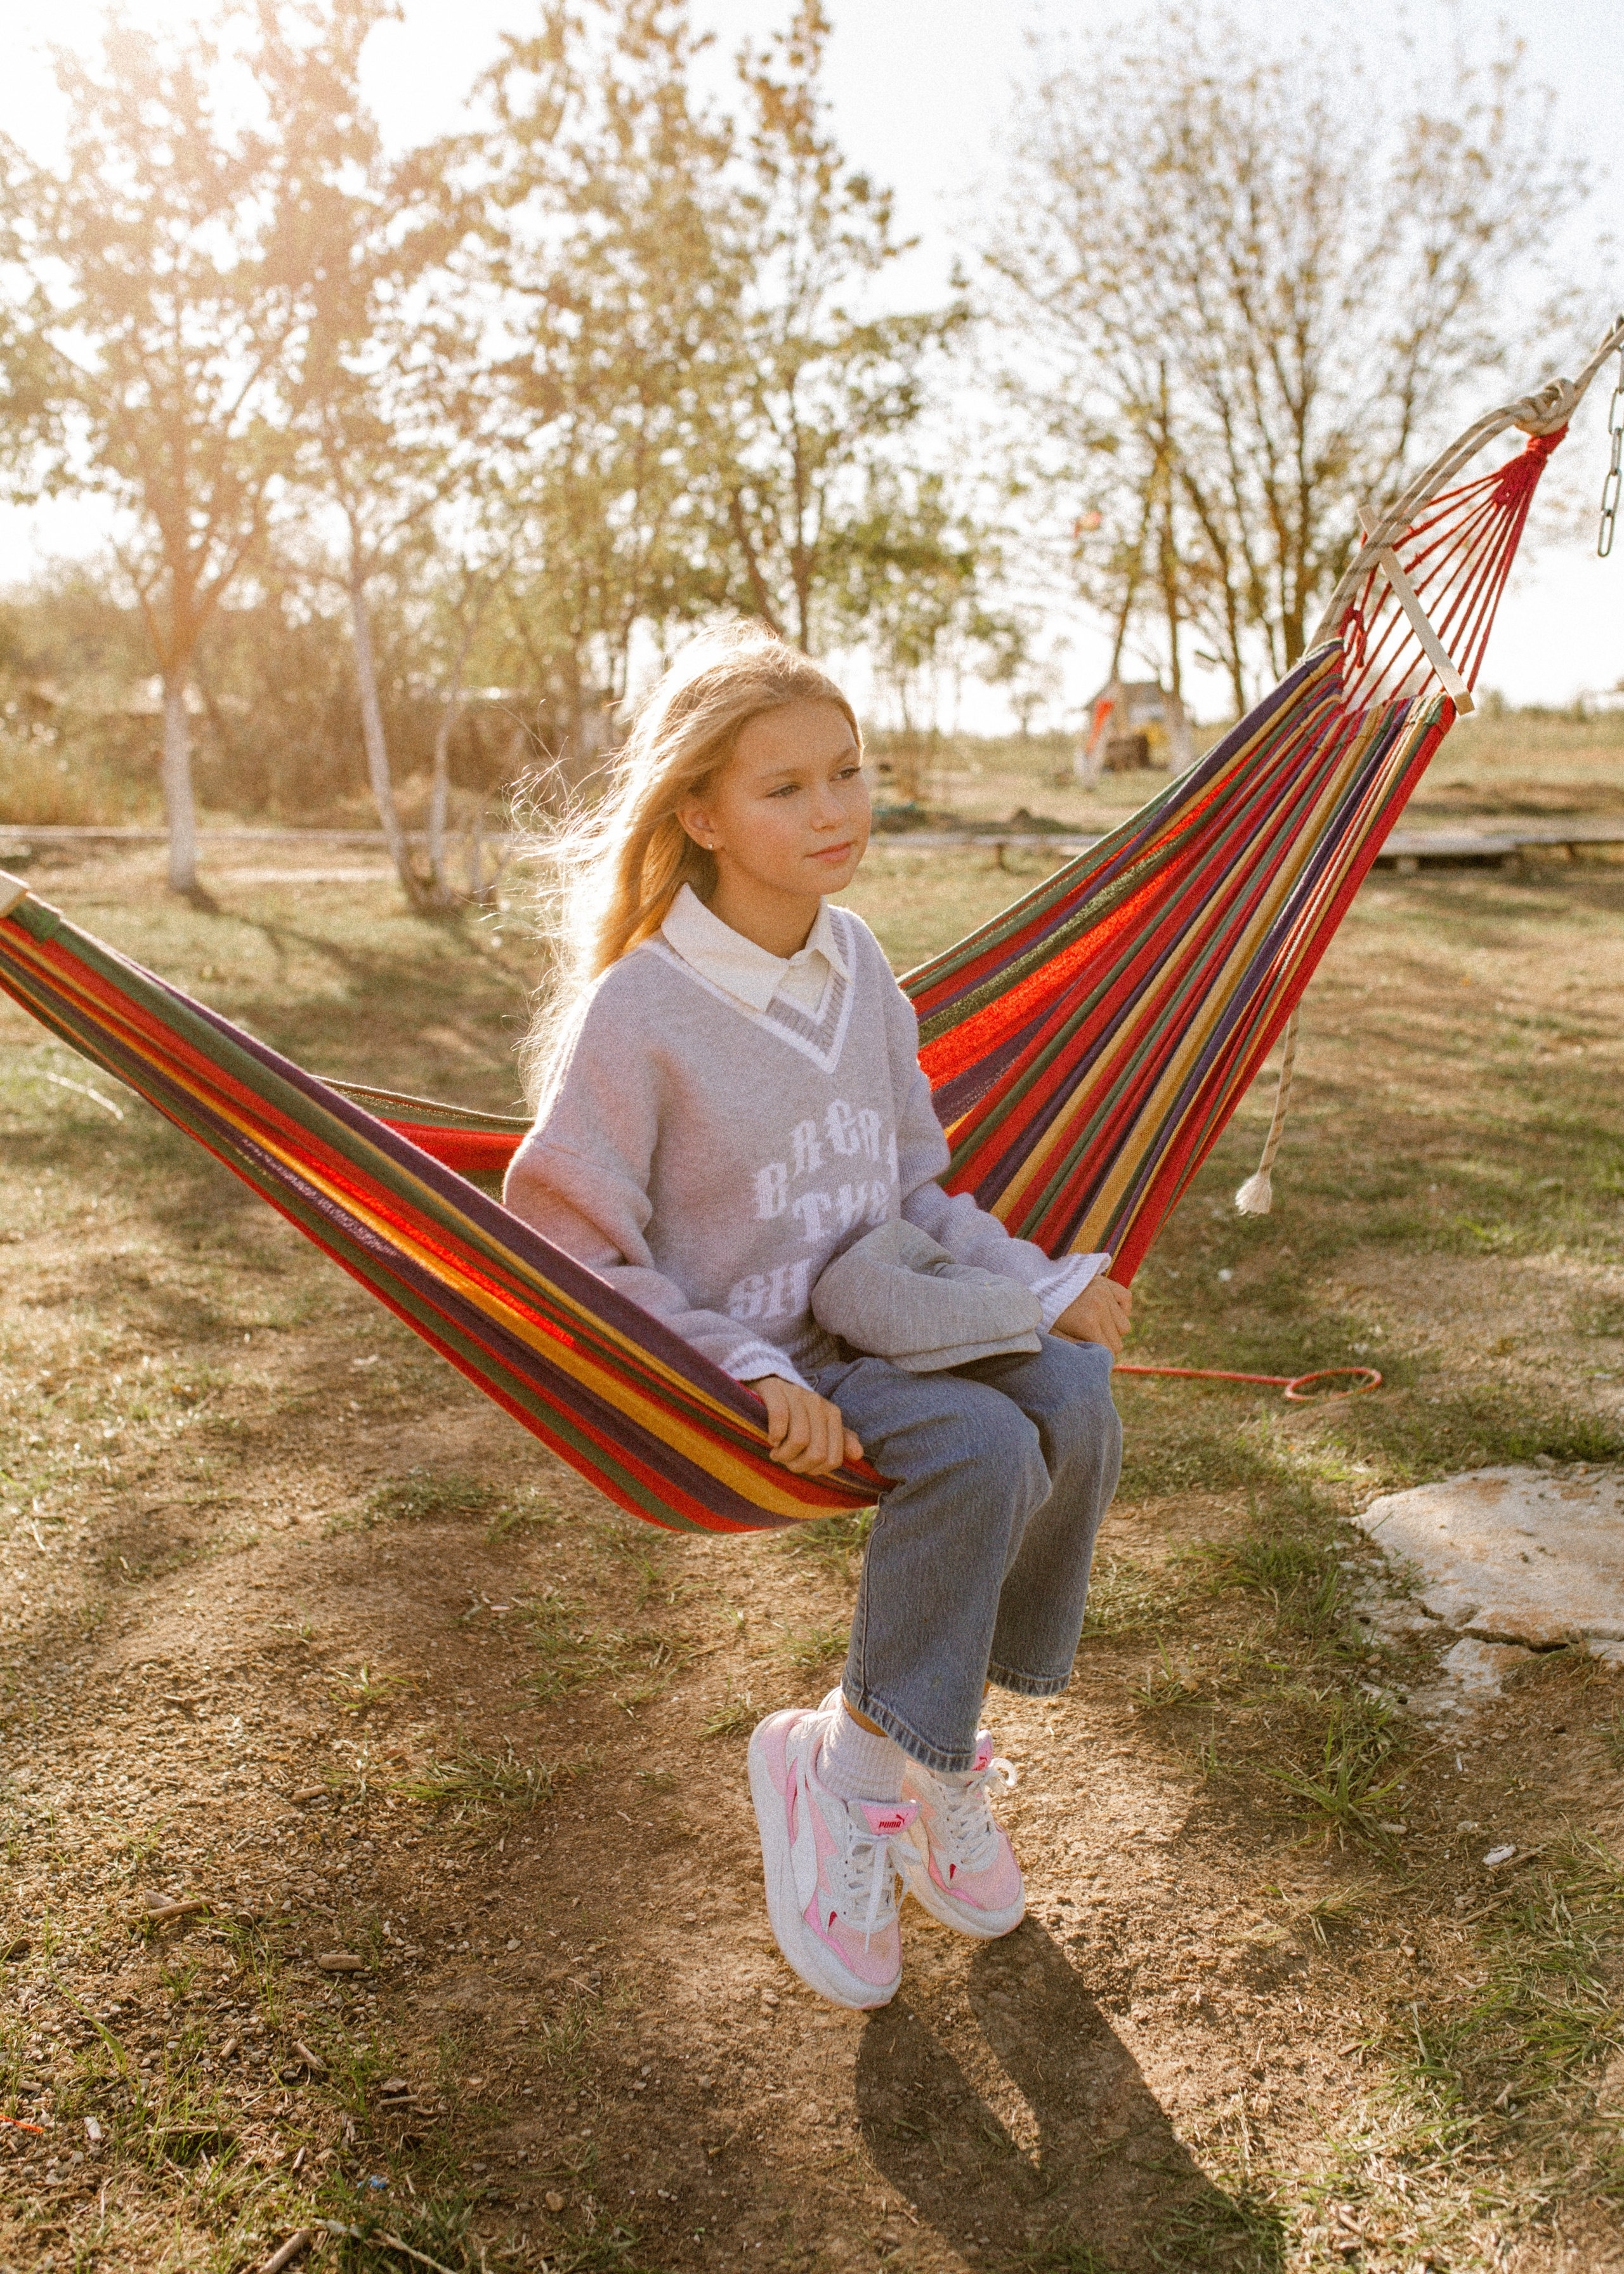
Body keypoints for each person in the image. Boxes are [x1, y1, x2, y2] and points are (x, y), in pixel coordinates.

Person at [504, 625, 1129, 2010]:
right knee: (982, 1447)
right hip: (756, 1364)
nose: (833, 809)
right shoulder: (644, 1011)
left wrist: (1039, 1281)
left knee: (1074, 1395)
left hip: (887, 1314)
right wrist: (734, 1368)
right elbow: (564, 1240)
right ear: (700, 815)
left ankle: (928, 1746)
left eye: (846, 771)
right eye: (783, 787)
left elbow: (913, 1191)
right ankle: (843, 1772)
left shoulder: (858, 964)